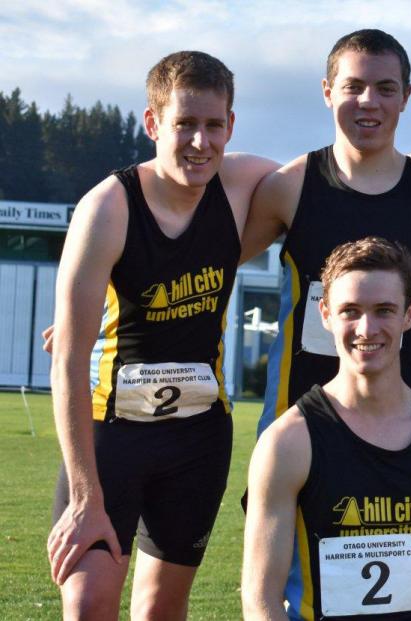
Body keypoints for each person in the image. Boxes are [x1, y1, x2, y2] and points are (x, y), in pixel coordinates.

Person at [46, 51, 280, 619]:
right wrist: (84, 495)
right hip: (111, 436)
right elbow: (68, 363)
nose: (200, 142)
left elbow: (338, 181)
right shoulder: (107, 208)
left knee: (158, 611)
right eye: (184, 124)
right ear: (153, 124)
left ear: (231, 125)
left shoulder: (245, 183)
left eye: (213, 125)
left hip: (196, 441)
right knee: (87, 604)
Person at [241, 29, 411, 443]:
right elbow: (216, 269)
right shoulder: (288, 188)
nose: (370, 102)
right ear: (328, 92)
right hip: (297, 425)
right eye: (354, 87)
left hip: (402, 431)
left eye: (386, 89)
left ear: (406, 97)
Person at [242, 237, 411, 620]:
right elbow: (261, 599)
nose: (366, 328)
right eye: (350, 311)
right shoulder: (287, 442)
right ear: (324, 314)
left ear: (410, 314)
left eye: (384, 310)